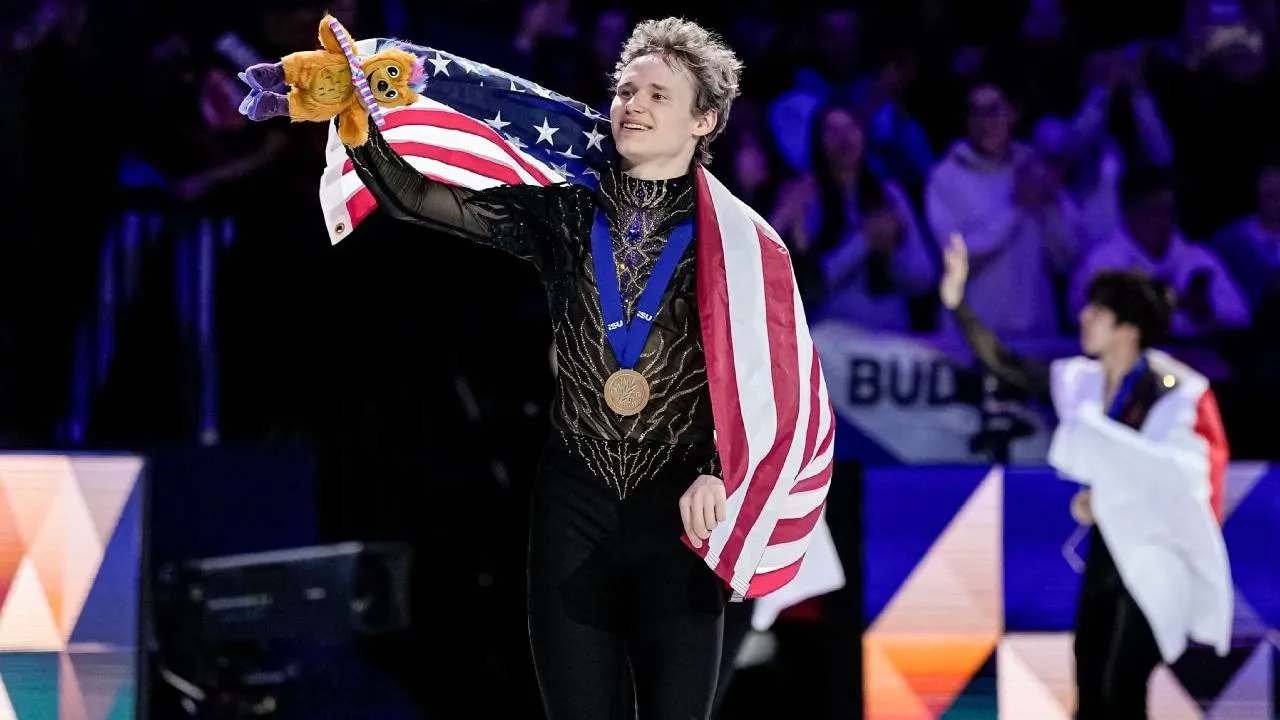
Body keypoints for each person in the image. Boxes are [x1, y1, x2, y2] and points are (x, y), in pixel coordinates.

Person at [327, 18, 835, 720]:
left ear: (704, 120)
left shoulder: (743, 246)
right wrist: (358, 128)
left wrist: (722, 469)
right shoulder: (566, 214)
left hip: (681, 511)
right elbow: (416, 198)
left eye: (657, 94)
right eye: (625, 90)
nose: (633, 104)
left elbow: (778, 389)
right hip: (573, 503)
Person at [938, 233, 1232, 717]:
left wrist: (1109, 495)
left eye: (1097, 310)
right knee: (1091, 677)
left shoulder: (1175, 391)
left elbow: (1185, 478)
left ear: (1127, 328)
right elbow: (1009, 367)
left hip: (1158, 556)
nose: (1083, 317)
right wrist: (958, 305)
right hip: (1108, 552)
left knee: (1121, 683)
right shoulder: (1083, 382)